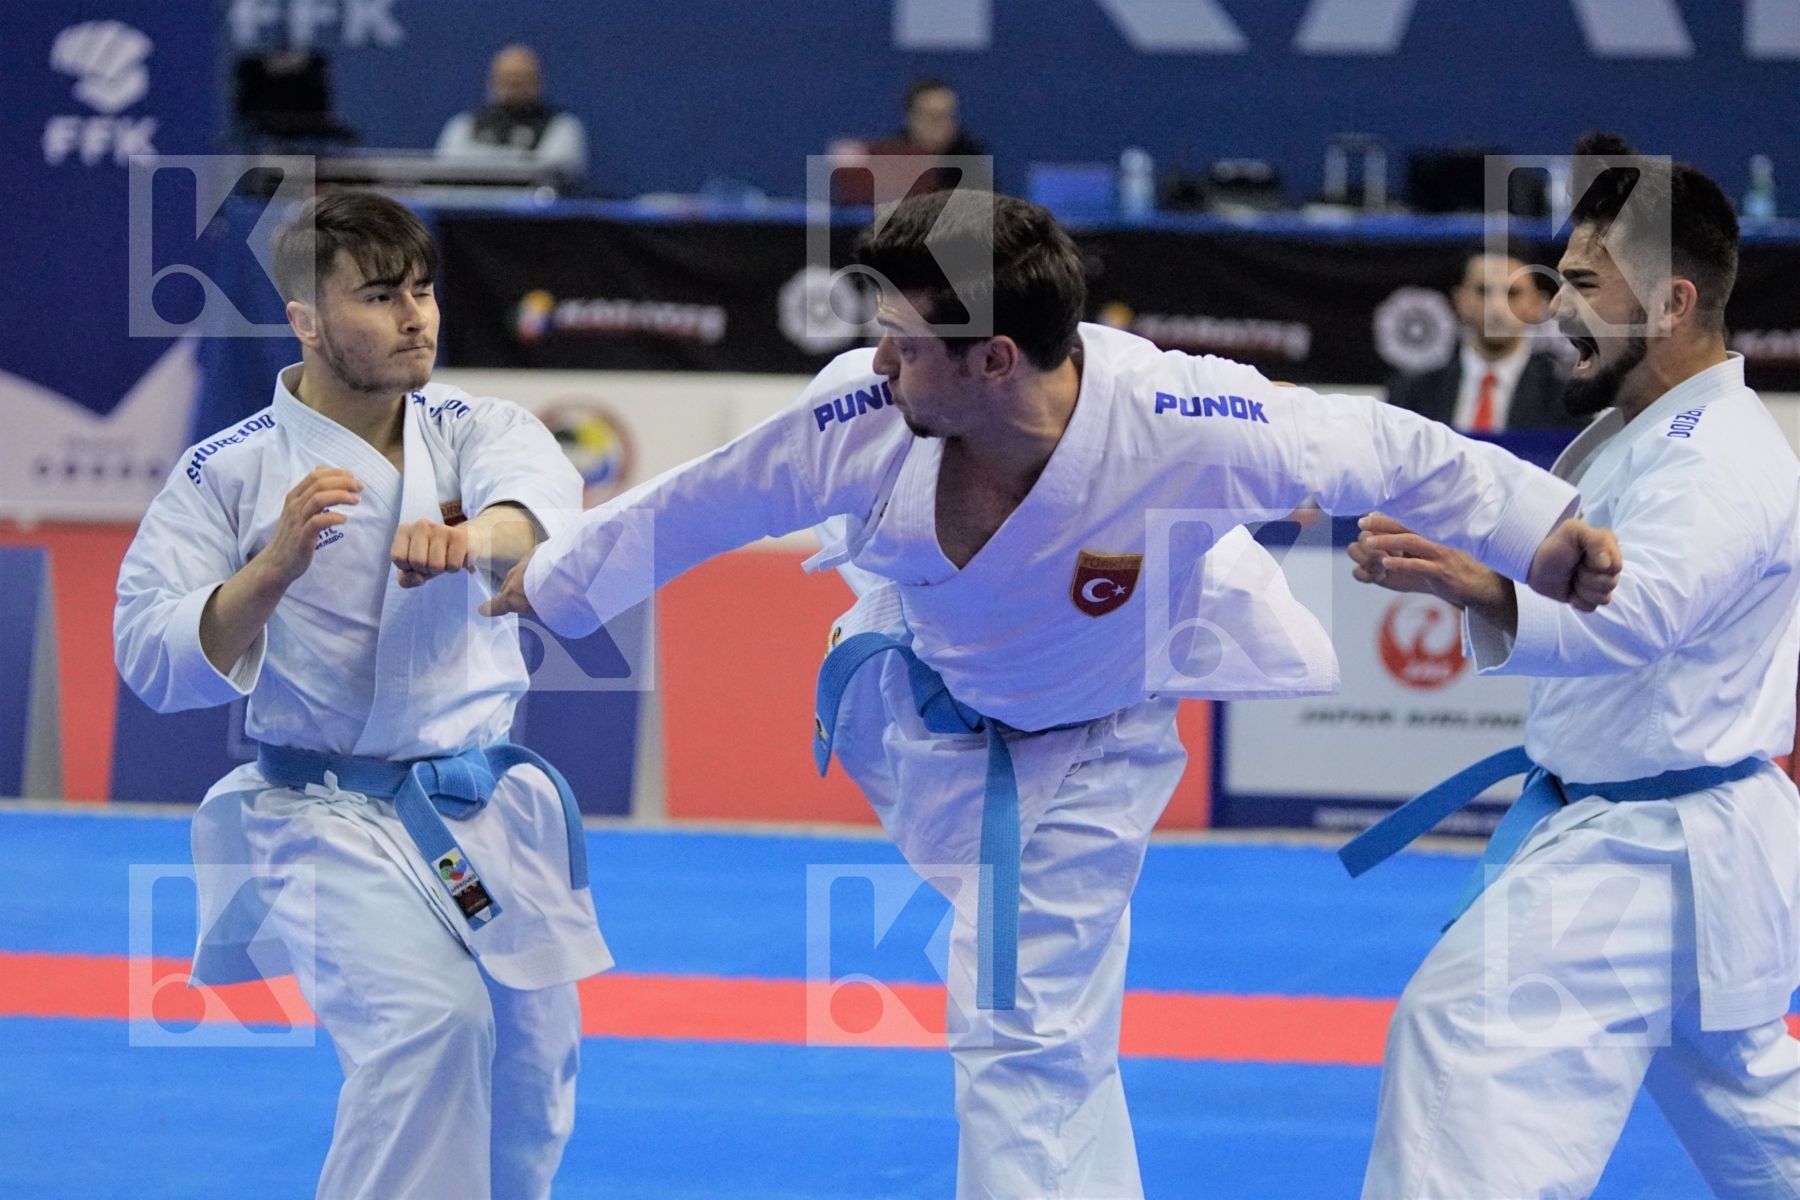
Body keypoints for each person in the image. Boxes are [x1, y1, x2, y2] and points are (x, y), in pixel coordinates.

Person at [482, 188, 1618, 1197]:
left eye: (904, 341)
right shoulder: (863, 416)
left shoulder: (1189, 421)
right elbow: (701, 502)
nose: (881, 363)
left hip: (1094, 745)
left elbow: (1401, 450)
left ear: (995, 360)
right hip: (917, 698)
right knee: (1045, 1044)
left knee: (1020, 1034)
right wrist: (550, 581)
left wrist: (1542, 535)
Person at [114, 191, 612, 1200]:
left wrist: (474, 539)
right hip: (325, 814)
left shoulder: (475, 425)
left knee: (533, 1072)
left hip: (482, 806)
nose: (417, 316)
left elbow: (543, 509)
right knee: (429, 1029)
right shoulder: (231, 472)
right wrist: (272, 570)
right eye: (381, 296)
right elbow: (147, 651)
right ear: (304, 319)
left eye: (422, 290)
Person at [1342, 134, 1800, 1198]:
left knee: (1465, 1039)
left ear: (1674, 302)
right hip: (1670, 839)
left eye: (1585, 284)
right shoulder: (1637, 430)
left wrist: (1478, 586)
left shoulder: (1718, 458)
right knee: (1753, 1115)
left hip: (1655, 845)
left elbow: (1634, 618)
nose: (1556, 308)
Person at [1386, 244, 1587, 432]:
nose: (1497, 308)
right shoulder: (1411, 394)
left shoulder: (1567, 401)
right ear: (1461, 300)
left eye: (1512, 293)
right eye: (1483, 291)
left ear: (1537, 305)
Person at [436, 45, 589, 188]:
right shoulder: (464, 124)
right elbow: (448, 168)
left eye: (522, 77)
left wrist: (481, 159)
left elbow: (551, 171)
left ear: (537, 81)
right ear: (493, 80)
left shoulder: (563, 126)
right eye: (507, 77)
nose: (514, 84)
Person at [829, 77, 989, 205]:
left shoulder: (971, 157)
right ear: (910, 118)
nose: (941, 125)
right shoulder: (892, 156)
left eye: (947, 116)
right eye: (931, 117)